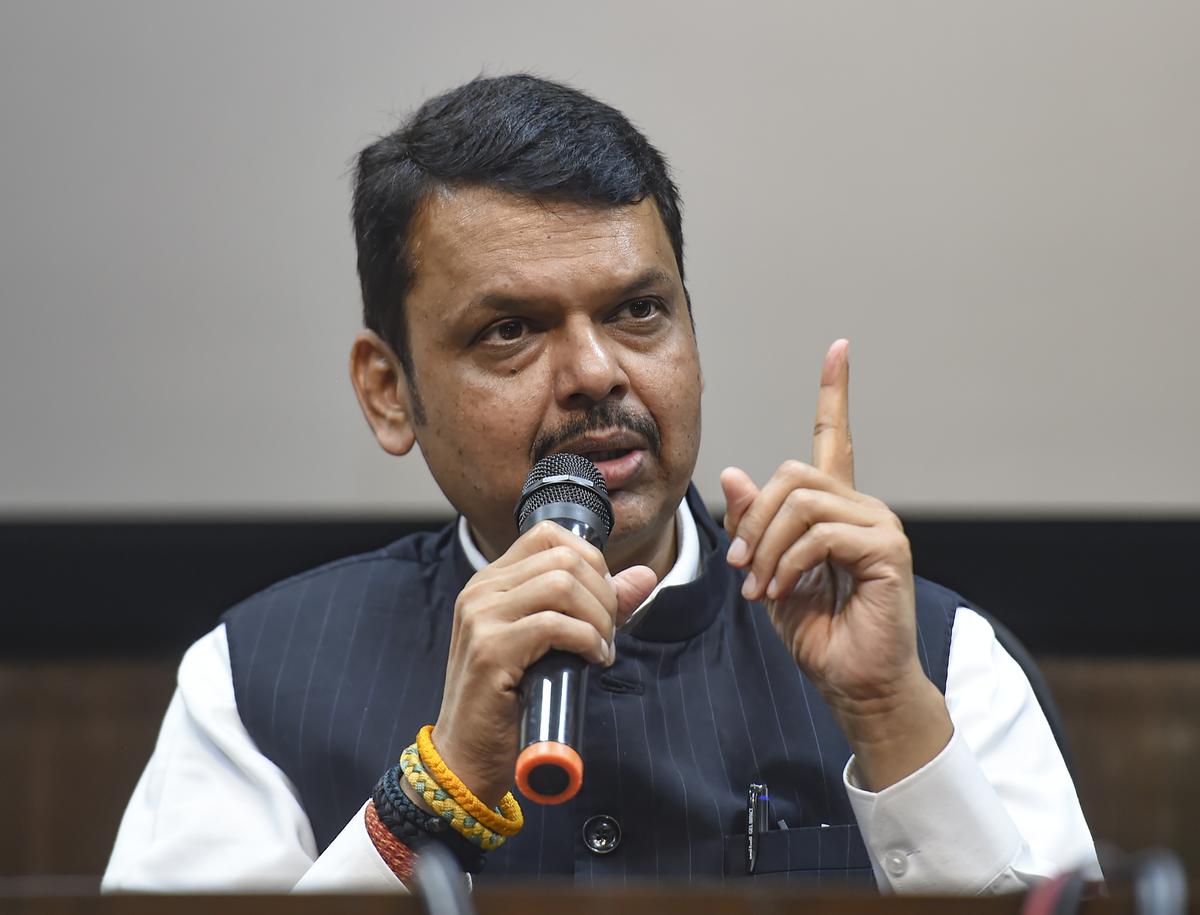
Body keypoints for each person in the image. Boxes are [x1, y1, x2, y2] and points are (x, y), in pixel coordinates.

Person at [103, 73, 1099, 894]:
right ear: (388, 391)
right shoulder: (256, 680)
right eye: (510, 331)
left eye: (638, 311)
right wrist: (430, 796)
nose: (594, 372)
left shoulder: (941, 659)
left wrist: (886, 716)